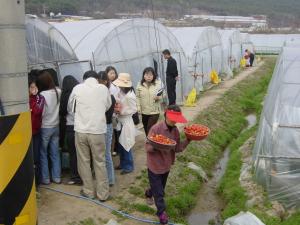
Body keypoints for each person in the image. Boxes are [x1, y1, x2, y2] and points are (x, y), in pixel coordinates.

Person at [145, 105, 191, 225]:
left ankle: (149, 193)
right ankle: (161, 213)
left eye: (176, 118)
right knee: (160, 193)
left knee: (160, 188)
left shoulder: (175, 131)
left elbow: (177, 148)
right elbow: (147, 147)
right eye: (172, 117)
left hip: (166, 165)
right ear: (166, 115)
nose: (174, 120)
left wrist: (188, 140)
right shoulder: (156, 128)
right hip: (154, 166)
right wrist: (156, 146)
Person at [69, 70, 111, 201]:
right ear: (97, 78)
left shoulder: (77, 88)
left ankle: (88, 191)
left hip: (81, 130)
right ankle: (103, 194)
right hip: (97, 131)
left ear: (84, 79)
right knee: (100, 162)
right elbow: (108, 105)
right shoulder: (103, 88)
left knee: (84, 162)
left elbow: (71, 107)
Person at [38, 71, 61, 185]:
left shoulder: (42, 95)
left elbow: (41, 113)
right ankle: (57, 177)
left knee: (43, 154)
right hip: (56, 126)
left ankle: (46, 179)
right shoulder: (58, 91)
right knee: (55, 153)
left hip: (45, 127)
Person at [59, 75, 82, 185]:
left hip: (70, 127)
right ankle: (85, 174)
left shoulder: (65, 96)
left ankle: (75, 177)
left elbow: (63, 112)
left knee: (73, 154)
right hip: (82, 127)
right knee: (83, 153)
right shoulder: (80, 93)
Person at [113, 73, 137, 175]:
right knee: (120, 145)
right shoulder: (121, 92)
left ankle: (129, 166)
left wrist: (121, 112)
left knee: (126, 144)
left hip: (126, 121)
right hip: (120, 121)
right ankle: (122, 163)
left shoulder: (130, 96)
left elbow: (134, 109)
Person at [98, 71, 116, 186]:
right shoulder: (101, 96)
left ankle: (110, 179)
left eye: (101, 82)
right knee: (102, 154)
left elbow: (107, 115)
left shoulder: (110, 97)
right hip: (101, 126)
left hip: (107, 126)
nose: (99, 84)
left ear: (106, 82)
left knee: (106, 154)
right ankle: (107, 178)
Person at [136, 67, 163, 136]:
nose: (148, 77)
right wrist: (138, 107)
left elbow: (164, 94)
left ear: (153, 76)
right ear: (143, 75)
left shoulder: (158, 84)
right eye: (147, 74)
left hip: (154, 111)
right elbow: (137, 97)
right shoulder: (139, 85)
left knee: (150, 128)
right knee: (146, 128)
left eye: (151, 75)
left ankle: (151, 143)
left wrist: (159, 97)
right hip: (144, 111)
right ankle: (151, 141)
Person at [29, 76, 45, 186]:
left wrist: (32, 99)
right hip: (24, 132)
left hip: (35, 132)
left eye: (34, 87)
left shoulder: (40, 98)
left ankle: (37, 182)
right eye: (30, 87)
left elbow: (37, 111)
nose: (32, 89)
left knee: (36, 158)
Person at [106, 66, 120, 157]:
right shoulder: (106, 85)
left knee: (117, 130)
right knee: (112, 130)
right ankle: (112, 149)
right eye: (110, 73)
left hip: (117, 109)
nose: (112, 75)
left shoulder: (117, 84)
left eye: (114, 73)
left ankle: (116, 148)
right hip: (110, 110)